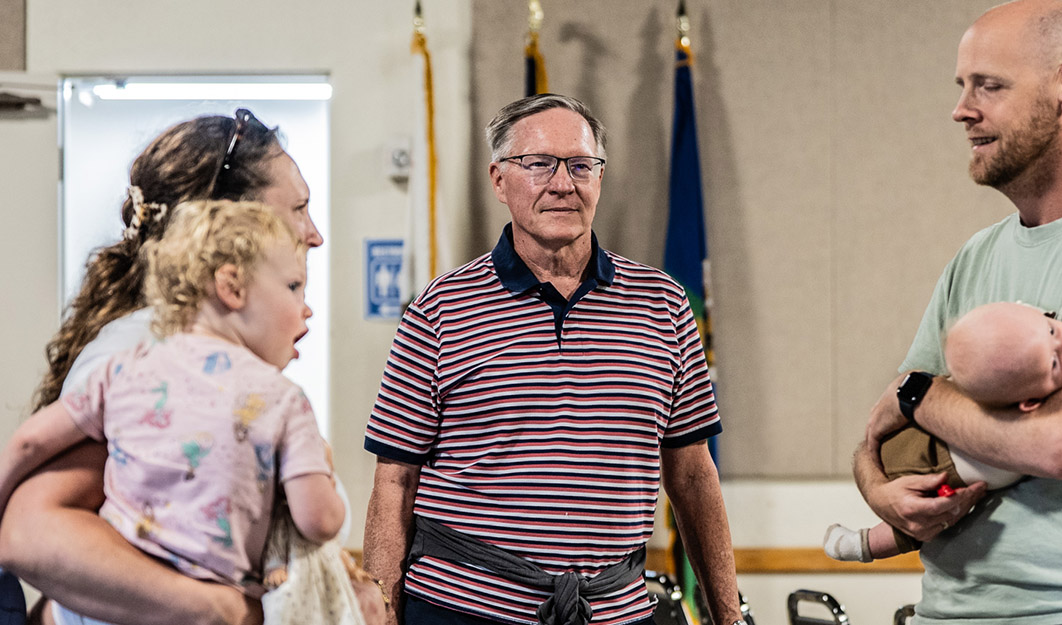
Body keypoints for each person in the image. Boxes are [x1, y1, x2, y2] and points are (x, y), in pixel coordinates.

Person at [362, 93, 745, 625]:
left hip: (614, 611)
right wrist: (380, 614)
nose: (563, 183)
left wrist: (729, 616)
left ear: (600, 178)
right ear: (499, 180)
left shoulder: (663, 304)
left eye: (581, 165)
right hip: (461, 608)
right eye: (539, 163)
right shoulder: (439, 308)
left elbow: (694, 475)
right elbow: (394, 481)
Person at [0, 109, 379, 625]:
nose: (314, 235)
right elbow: (29, 533)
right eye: (298, 209)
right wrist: (229, 610)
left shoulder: (220, 358)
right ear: (228, 228)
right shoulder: (149, 356)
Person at [852, 1, 1062, 622]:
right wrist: (882, 493)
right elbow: (879, 437)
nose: (962, 109)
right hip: (940, 610)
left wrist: (921, 393)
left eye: (989, 85)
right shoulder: (974, 258)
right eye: (962, 86)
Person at [827, 301, 1062, 562]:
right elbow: (872, 437)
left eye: (1053, 329)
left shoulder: (1014, 369)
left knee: (928, 513)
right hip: (935, 467)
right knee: (928, 513)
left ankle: (862, 544)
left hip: (927, 444)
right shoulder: (1028, 419)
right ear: (1030, 403)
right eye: (1054, 362)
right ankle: (865, 545)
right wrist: (876, 489)